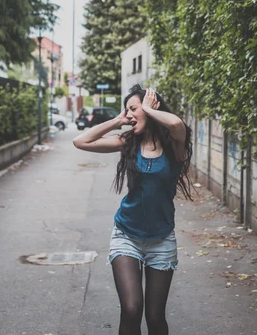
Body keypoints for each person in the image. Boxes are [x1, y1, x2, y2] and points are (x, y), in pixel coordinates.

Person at [73, 84, 193, 335]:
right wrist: (117, 119)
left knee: (155, 318)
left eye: (133, 109)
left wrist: (147, 108)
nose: (129, 115)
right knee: (131, 309)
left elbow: (177, 124)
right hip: (126, 235)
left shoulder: (173, 146)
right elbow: (80, 141)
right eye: (126, 110)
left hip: (161, 240)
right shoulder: (128, 142)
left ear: (151, 109)